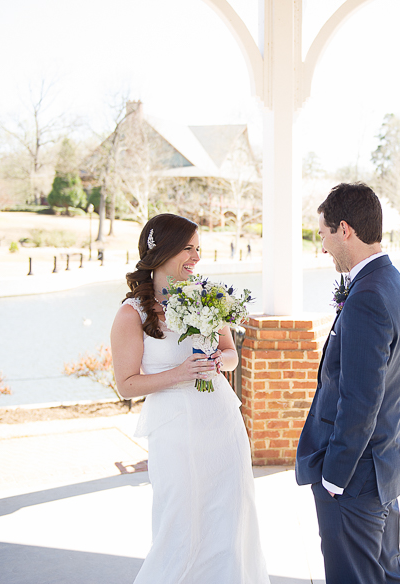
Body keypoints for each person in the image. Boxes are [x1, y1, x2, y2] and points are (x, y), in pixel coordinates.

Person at [110, 213, 270, 584]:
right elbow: (127, 384)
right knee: (181, 524)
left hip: (222, 423)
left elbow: (231, 354)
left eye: (198, 249)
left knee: (231, 520)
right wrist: (179, 374)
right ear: (162, 252)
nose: (196, 257)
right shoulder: (130, 314)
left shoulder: (209, 296)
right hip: (175, 433)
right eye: (188, 248)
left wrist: (218, 360)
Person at [295, 183, 400, 584]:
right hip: (383, 467)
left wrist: (334, 477)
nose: (323, 243)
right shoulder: (393, 283)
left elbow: (361, 399)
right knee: (388, 576)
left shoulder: (367, 295)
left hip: (355, 480)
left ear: (344, 229)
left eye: (324, 232)